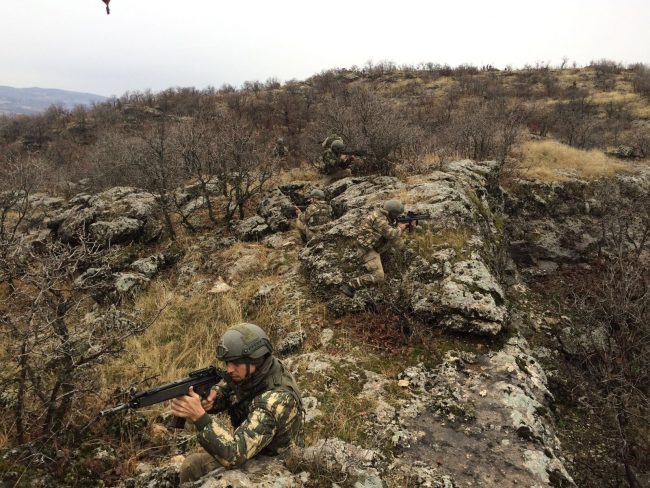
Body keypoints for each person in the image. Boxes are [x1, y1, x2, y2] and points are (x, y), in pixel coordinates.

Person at [172, 323, 304, 483]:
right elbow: (230, 388)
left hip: (276, 464)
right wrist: (213, 398)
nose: (229, 369)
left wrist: (200, 417)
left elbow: (234, 454)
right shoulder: (260, 370)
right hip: (254, 452)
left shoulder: (276, 399)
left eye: (236, 363)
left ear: (255, 359)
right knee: (191, 466)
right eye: (227, 363)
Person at [340, 199, 413, 298]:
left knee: (399, 242)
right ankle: (350, 285)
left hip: (377, 244)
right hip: (367, 249)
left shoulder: (385, 215)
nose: (397, 217)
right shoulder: (379, 219)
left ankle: (397, 261)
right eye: (396, 215)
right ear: (392, 213)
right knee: (379, 276)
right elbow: (391, 233)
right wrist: (401, 228)